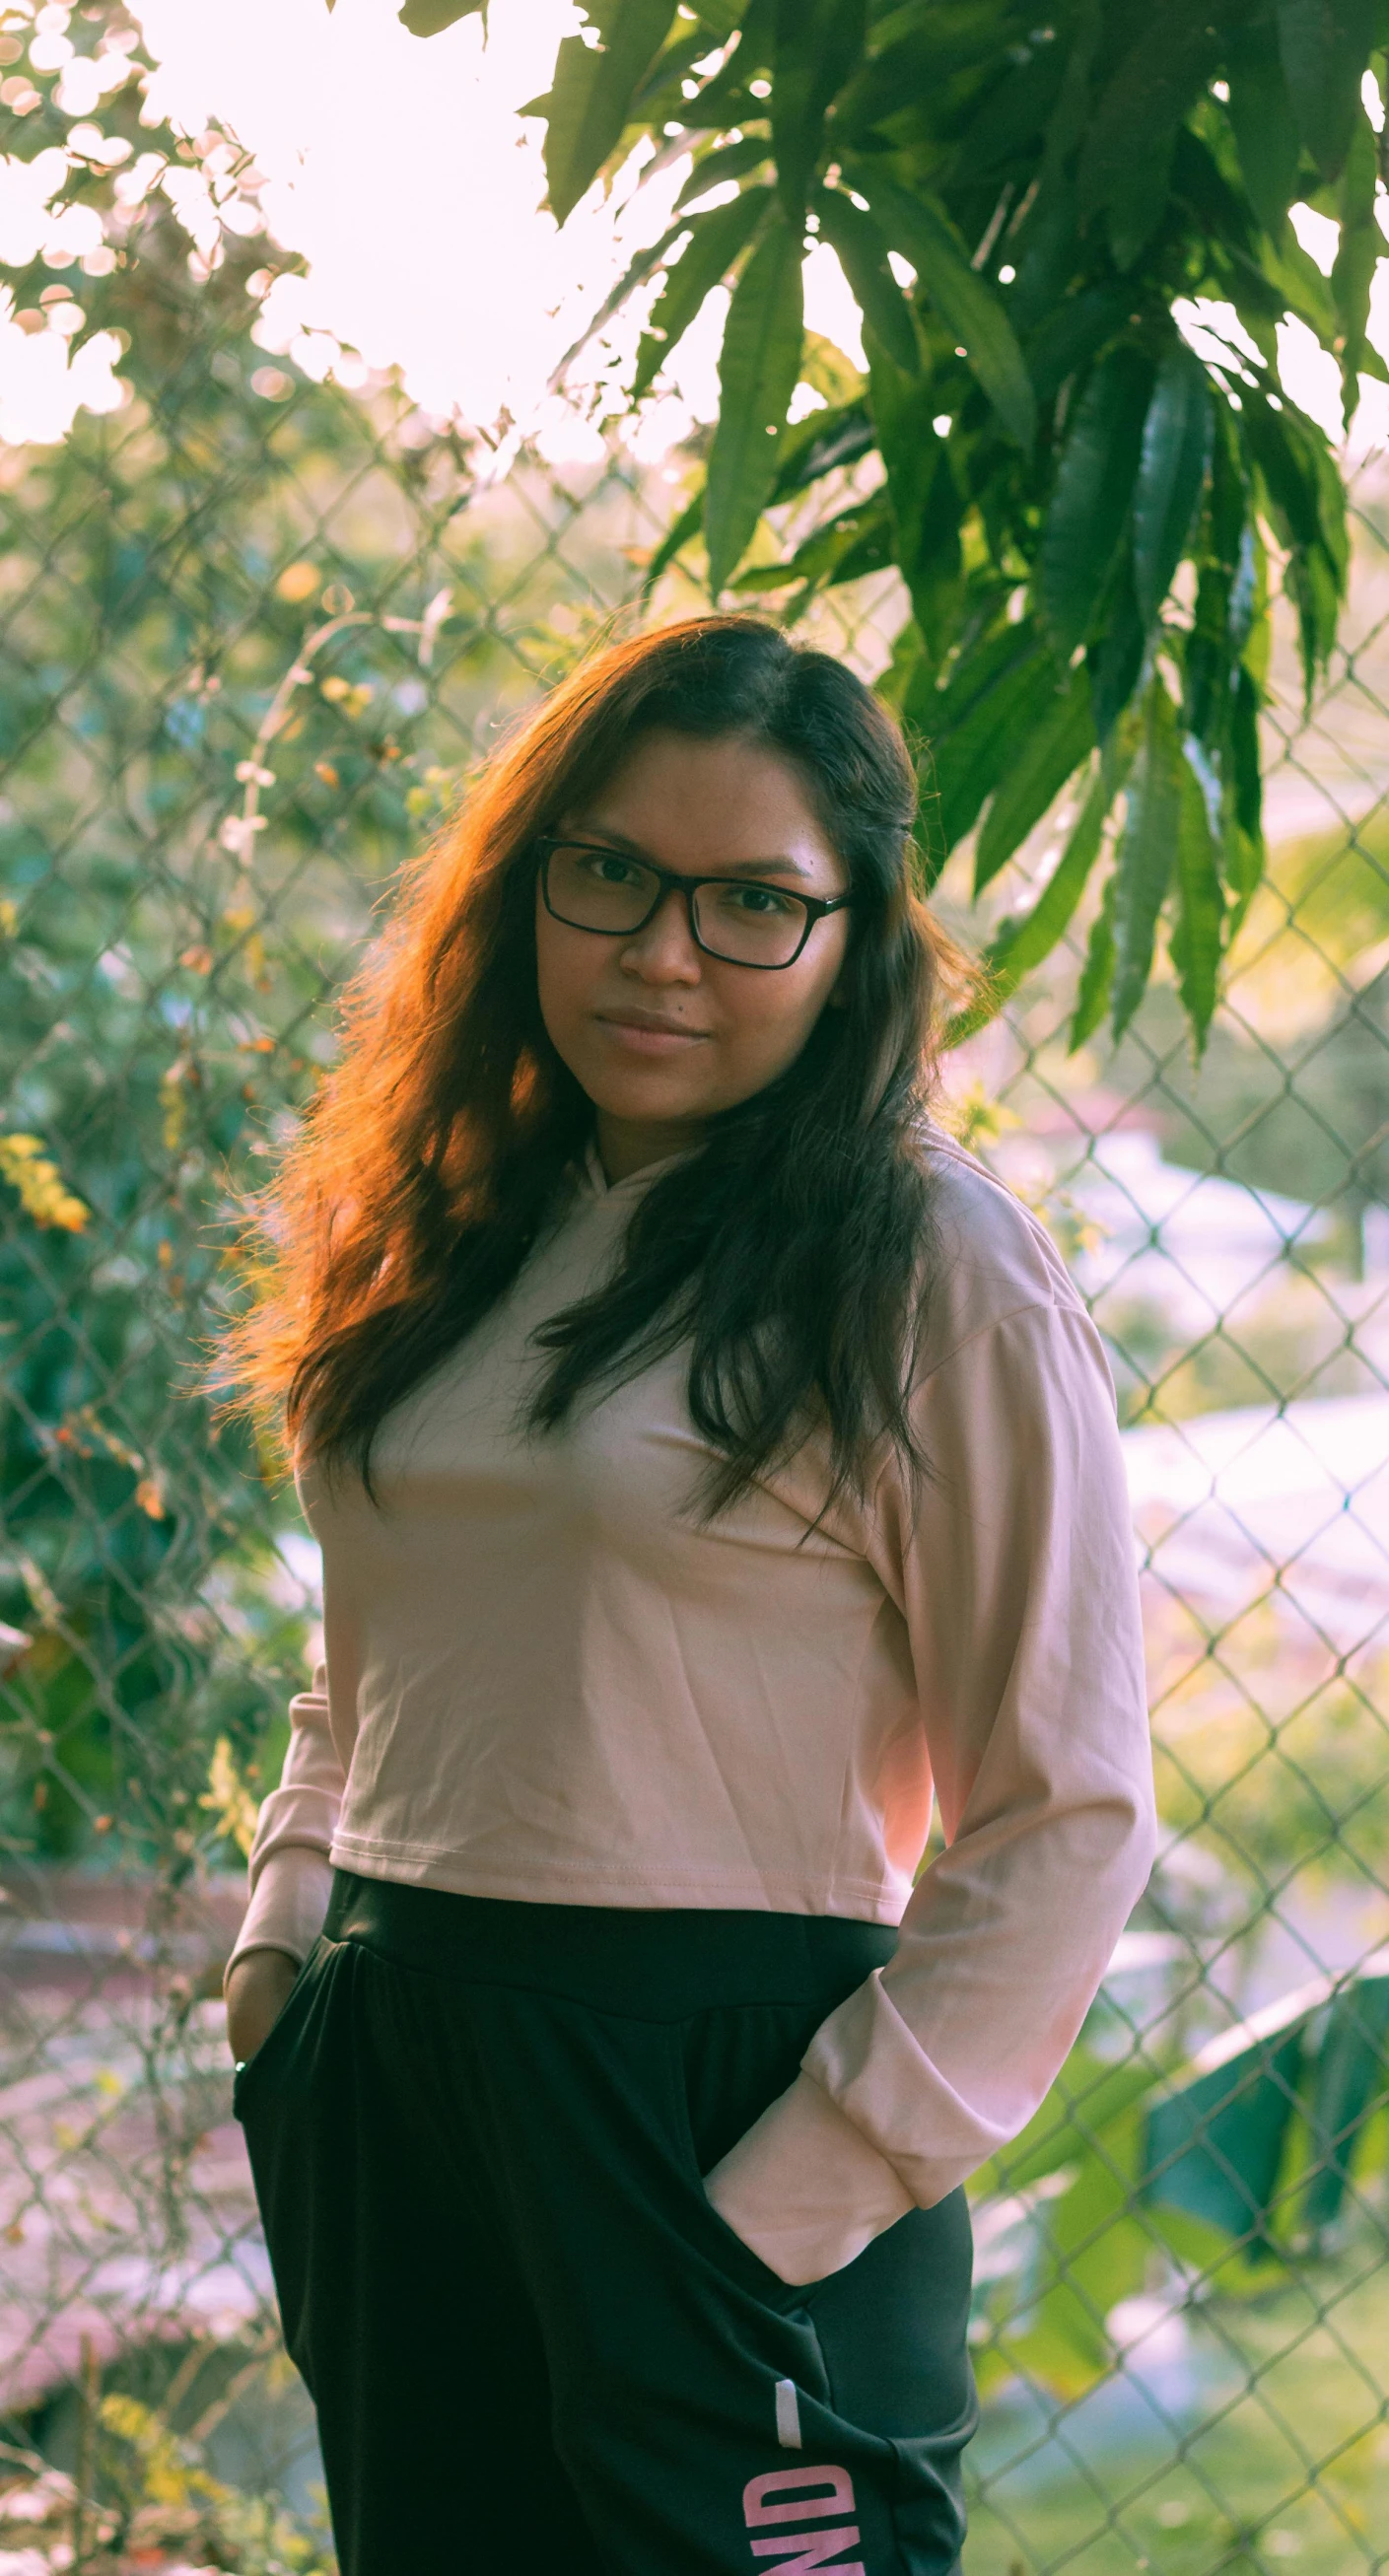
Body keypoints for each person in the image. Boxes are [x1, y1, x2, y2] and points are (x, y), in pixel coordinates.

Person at [220, 614, 1155, 2576]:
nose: (663, 952)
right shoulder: (458, 1224)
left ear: (852, 943)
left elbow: (1060, 1807)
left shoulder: (927, 1264)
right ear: (526, 884)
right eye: (613, 876)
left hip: (714, 2109)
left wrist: (782, 2202)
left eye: (752, 903)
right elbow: (370, 1669)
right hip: (405, 2081)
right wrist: (282, 1970)